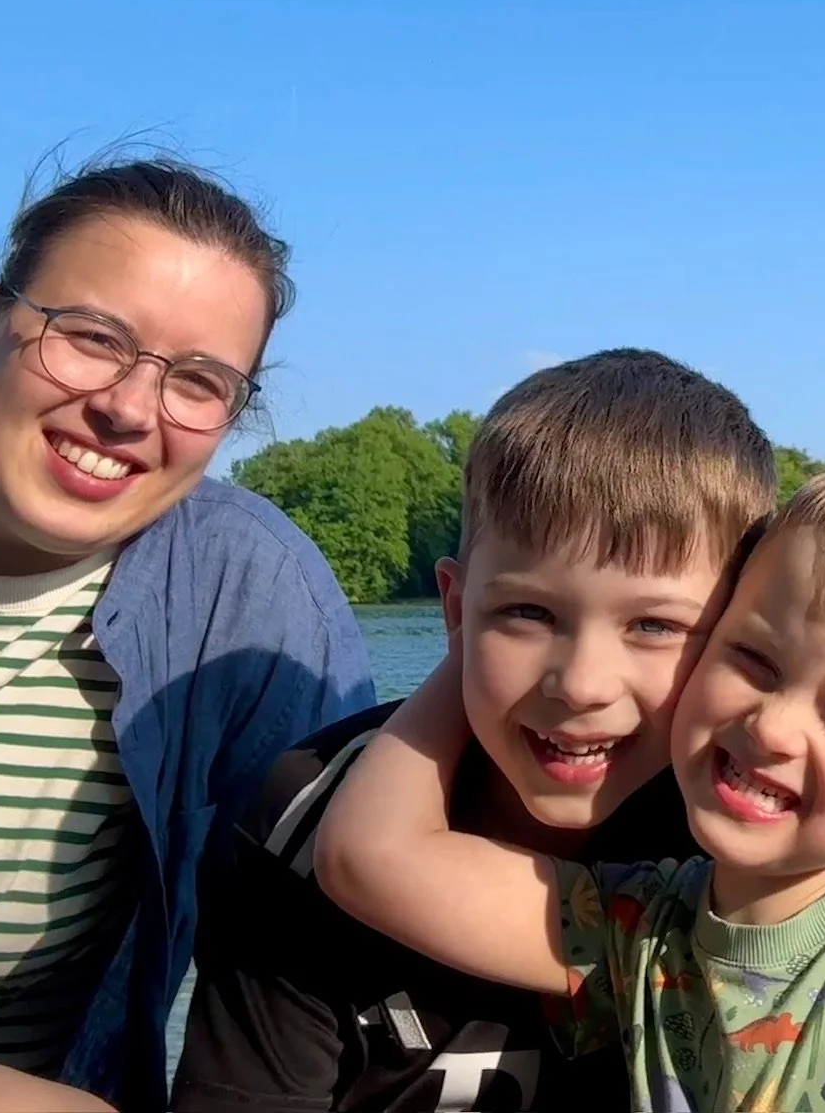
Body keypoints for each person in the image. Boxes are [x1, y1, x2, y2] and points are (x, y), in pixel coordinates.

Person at [0, 155, 375, 1113]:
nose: (125, 408)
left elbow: (345, 882)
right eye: (90, 337)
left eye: (197, 381)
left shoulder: (244, 594)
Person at [313, 458, 825, 1112]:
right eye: (754, 661)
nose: (773, 728)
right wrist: (480, 637)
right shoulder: (639, 935)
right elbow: (366, 856)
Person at [167, 348, 778, 1113]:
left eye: (655, 625)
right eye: (526, 613)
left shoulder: (742, 846)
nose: (582, 684)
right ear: (456, 610)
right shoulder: (303, 816)